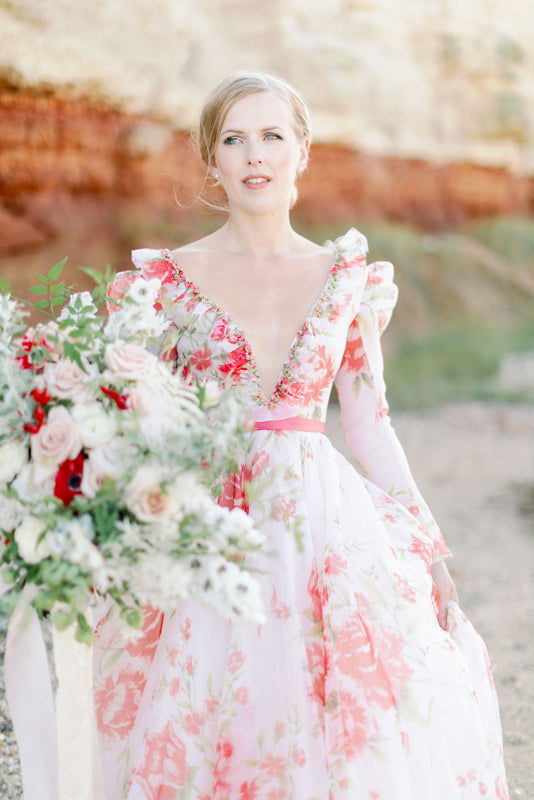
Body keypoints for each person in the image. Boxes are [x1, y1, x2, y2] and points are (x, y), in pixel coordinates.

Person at [95, 71, 509, 800]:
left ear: (302, 151)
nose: (255, 154)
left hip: (324, 522)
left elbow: (371, 425)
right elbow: (139, 421)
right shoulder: (167, 280)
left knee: (341, 713)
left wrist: (430, 547)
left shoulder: (344, 276)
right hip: (213, 524)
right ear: (211, 160)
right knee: (216, 709)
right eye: (234, 138)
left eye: (272, 136)